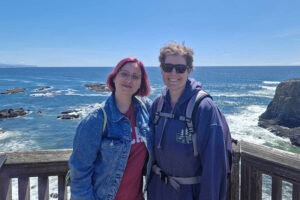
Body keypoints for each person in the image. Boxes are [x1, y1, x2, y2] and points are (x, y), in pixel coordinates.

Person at [147, 43, 227, 200]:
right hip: (158, 191)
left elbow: (214, 165)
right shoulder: (158, 104)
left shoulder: (203, 107)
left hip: (189, 194)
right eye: (168, 67)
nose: (173, 73)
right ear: (161, 69)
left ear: (189, 70)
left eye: (180, 68)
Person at [69, 57, 153, 200]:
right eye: (124, 74)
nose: (129, 80)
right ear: (114, 78)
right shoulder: (96, 119)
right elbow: (80, 170)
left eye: (135, 77)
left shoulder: (146, 109)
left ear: (140, 83)